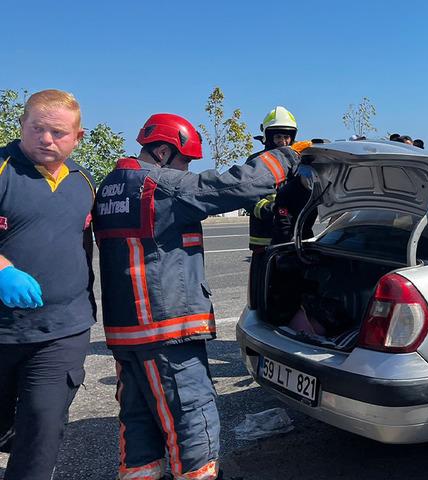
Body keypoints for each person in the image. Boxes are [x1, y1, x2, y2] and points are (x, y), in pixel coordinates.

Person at [93, 113, 299, 480]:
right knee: (192, 413)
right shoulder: (161, 186)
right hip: (166, 328)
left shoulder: (110, 186)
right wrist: (286, 156)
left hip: (126, 331)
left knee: (139, 420)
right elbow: (234, 186)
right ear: (161, 151)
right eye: (184, 161)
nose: (186, 169)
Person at [0, 89, 96, 479]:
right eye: (37, 128)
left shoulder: (83, 182)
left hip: (62, 330)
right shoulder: (4, 168)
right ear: (21, 125)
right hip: (3, 332)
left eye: (57, 132)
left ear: (78, 136)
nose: (46, 139)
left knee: (42, 428)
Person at [246, 106, 299, 254]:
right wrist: (269, 209)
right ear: (269, 137)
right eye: (278, 137)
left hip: (291, 236)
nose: (283, 142)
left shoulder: (298, 162)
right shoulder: (256, 161)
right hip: (263, 238)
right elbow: (246, 196)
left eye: (286, 137)